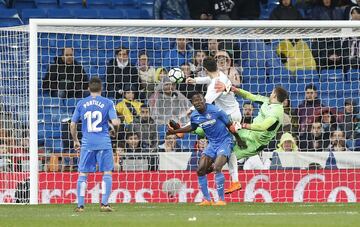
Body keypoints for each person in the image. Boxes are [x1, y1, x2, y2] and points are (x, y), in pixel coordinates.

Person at [167, 93, 241, 205]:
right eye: (195, 101)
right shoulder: (194, 116)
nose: (198, 103)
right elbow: (192, 127)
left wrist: (239, 140)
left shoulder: (216, 111)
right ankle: (207, 200)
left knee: (217, 167)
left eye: (200, 100)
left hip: (225, 141)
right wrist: (176, 131)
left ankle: (221, 200)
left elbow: (230, 125)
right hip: (212, 144)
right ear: (193, 104)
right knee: (200, 170)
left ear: (205, 100)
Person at [186, 56, 242, 194]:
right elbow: (209, 78)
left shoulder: (214, 86)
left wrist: (191, 109)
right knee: (229, 147)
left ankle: (229, 176)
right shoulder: (221, 75)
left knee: (225, 144)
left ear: (205, 69)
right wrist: (196, 80)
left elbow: (206, 102)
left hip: (228, 116)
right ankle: (231, 178)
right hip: (234, 112)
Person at [70, 77, 120, 212]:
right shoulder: (108, 102)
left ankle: (80, 205)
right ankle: (104, 204)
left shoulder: (81, 103)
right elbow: (115, 122)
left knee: (83, 173)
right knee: (107, 172)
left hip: (87, 143)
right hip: (104, 142)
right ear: (101, 89)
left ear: (88, 89)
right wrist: (115, 132)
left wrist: (75, 140)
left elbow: (73, 124)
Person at [214, 81, 287, 160]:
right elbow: (249, 96)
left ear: (274, 96)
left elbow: (262, 127)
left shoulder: (276, 112)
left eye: (272, 93)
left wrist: (242, 125)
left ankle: (215, 167)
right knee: (224, 133)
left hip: (256, 143)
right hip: (247, 132)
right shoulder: (266, 101)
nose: (270, 94)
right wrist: (235, 90)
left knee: (230, 157)